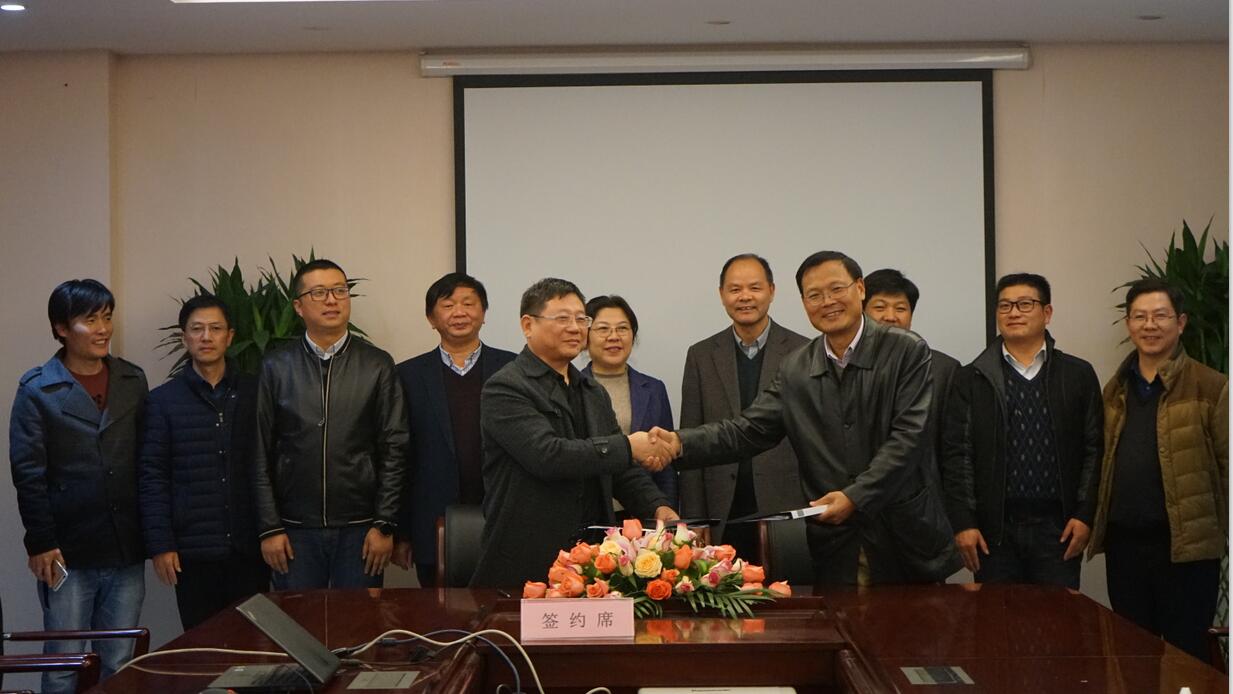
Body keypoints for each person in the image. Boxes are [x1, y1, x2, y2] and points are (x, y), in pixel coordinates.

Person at [649, 252, 959, 585]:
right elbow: (748, 430)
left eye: (836, 289)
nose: (827, 302)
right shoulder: (796, 367)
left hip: (905, 538)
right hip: (836, 543)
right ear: (803, 302)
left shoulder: (906, 351)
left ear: (860, 288)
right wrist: (679, 442)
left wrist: (855, 496)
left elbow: (908, 439)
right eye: (814, 295)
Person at [469, 278, 677, 588]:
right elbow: (548, 456)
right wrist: (628, 446)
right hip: (529, 558)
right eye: (563, 318)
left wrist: (657, 506)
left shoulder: (591, 390)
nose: (575, 328)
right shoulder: (506, 387)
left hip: (594, 559)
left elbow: (619, 469)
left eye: (581, 319)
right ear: (528, 325)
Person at [9, 279, 148, 693]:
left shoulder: (132, 380)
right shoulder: (38, 389)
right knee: (63, 663)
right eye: (90, 320)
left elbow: (148, 461)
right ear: (62, 328)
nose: (103, 329)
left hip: (125, 545)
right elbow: (28, 472)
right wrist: (41, 541)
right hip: (66, 550)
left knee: (120, 660)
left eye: (107, 317)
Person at [1087, 278, 1227, 659]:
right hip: (1125, 547)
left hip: (1186, 551)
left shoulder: (1212, 386)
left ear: (1180, 322)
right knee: (1133, 656)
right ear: (1129, 324)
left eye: (1160, 316)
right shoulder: (1114, 390)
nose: (1149, 325)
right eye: (1140, 316)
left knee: (1186, 659)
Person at [252, 259, 409, 589]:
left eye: (340, 291)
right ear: (298, 306)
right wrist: (269, 527)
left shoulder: (376, 364)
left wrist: (384, 523)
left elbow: (395, 448)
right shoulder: (276, 366)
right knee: (298, 620)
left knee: (358, 620)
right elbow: (259, 450)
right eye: (319, 292)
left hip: (361, 529)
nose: (332, 300)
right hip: (294, 529)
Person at [941, 273, 1102, 588]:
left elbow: (1094, 449)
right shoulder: (971, 378)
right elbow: (957, 455)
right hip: (994, 532)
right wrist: (963, 522)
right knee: (995, 616)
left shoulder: (1077, 374)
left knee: (1058, 616)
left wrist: (1085, 515)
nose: (1013, 312)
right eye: (1005, 306)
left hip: (1058, 529)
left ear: (1047, 313)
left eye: (1025, 304)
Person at [138, 294, 268, 630]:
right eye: (197, 329)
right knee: (202, 645)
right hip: (193, 552)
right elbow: (153, 477)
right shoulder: (162, 401)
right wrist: (161, 544)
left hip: (250, 548)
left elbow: (272, 465)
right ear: (185, 337)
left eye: (215, 328)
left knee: (254, 643)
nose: (206, 337)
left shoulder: (255, 392)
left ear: (230, 336)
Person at [678, 253, 809, 561]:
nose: (745, 296)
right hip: (722, 505)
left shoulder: (804, 351)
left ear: (772, 291)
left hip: (786, 501)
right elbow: (691, 437)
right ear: (722, 294)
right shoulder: (701, 355)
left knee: (789, 587)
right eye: (735, 289)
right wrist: (695, 520)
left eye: (755, 287)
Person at [393, 272, 516, 587]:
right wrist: (402, 532)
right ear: (431, 318)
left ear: (483, 313)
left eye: (468, 303)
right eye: (448, 305)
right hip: (432, 521)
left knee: (502, 610)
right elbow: (399, 457)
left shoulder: (514, 369)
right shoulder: (407, 375)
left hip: (504, 518)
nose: (459, 312)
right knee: (438, 610)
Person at [863, 268, 961, 490]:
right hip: (858, 496)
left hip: (923, 494)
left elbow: (954, 449)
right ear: (861, 312)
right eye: (880, 307)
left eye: (900, 308)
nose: (890, 316)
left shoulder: (944, 369)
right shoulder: (845, 364)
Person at [581, 295, 677, 504]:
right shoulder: (573, 388)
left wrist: (667, 510)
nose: (614, 337)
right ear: (585, 337)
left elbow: (666, 463)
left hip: (645, 507)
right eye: (603, 329)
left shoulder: (654, 389)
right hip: (591, 508)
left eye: (622, 328)